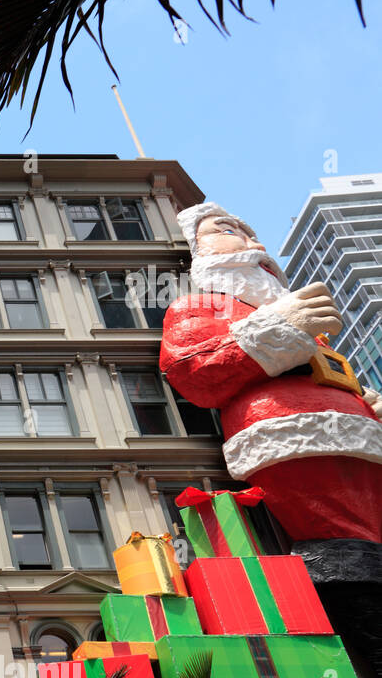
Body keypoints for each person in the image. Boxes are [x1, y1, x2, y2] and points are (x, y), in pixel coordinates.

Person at [159, 202, 382, 543]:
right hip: (288, 436)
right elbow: (192, 370)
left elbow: (326, 371)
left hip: (363, 443)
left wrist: (366, 403)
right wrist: (280, 327)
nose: (258, 247)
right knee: (339, 540)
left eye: (254, 237)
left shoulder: (308, 327)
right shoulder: (199, 307)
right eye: (228, 231)